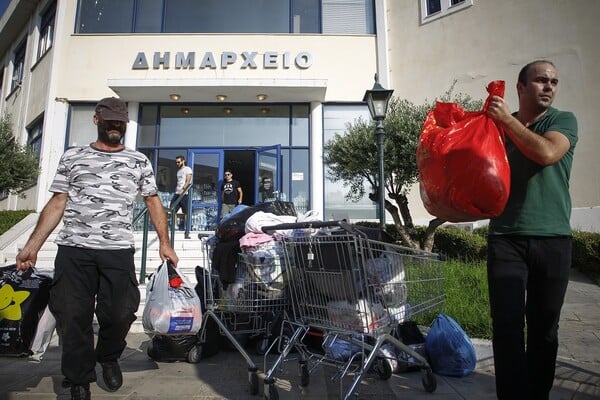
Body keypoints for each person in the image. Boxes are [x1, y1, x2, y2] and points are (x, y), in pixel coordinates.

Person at [15, 97, 179, 400]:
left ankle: (107, 356)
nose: (116, 126)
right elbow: (58, 201)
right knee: (72, 314)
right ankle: (78, 378)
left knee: (120, 312)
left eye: (120, 121)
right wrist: (32, 246)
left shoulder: (138, 161)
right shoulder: (73, 157)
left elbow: (153, 201)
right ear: (97, 120)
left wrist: (165, 244)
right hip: (75, 249)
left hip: (117, 250)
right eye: (110, 121)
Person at [485, 60, 578, 400]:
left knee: (544, 330)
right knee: (507, 327)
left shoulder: (562, 120)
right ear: (521, 87)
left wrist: (506, 120)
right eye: (540, 80)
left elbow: (547, 152)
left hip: (553, 240)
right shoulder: (496, 131)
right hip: (505, 240)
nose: (549, 86)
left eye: (553, 81)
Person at [170, 155, 192, 236]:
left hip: (184, 193)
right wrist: (177, 190)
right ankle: (175, 226)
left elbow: (188, 181)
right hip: (177, 192)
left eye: (179, 162)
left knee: (185, 211)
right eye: (176, 162)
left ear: (183, 161)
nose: (177, 163)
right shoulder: (178, 171)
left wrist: (183, 189)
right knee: (172, 208)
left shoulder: (188, 169)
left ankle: (187, 227)